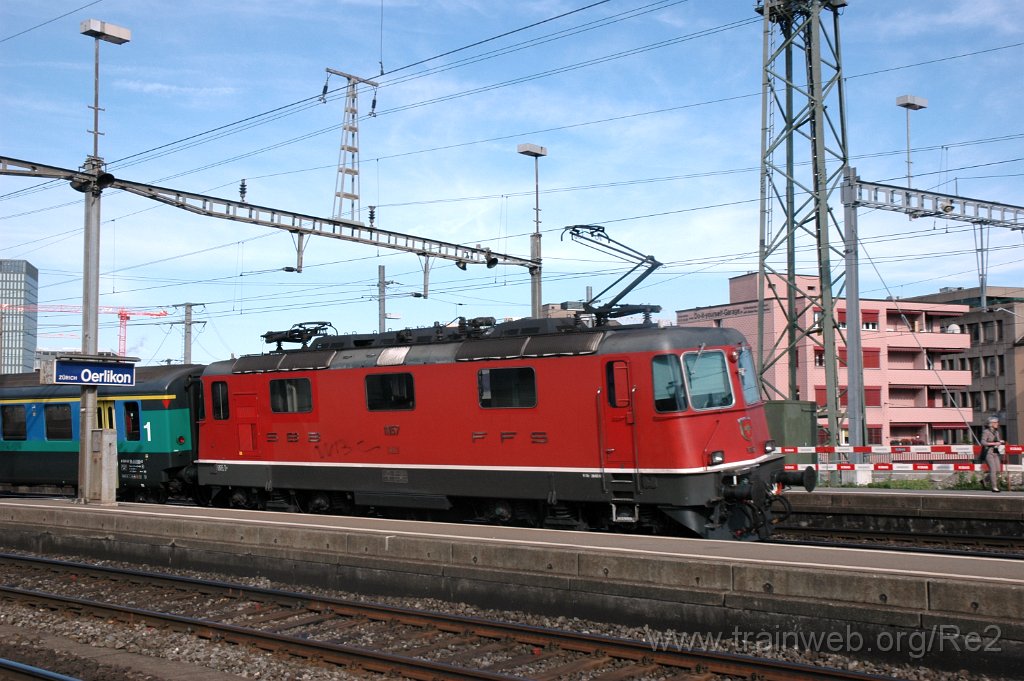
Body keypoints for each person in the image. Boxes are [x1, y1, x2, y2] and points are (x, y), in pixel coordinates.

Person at [980, 416, 1004, 493]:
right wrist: (994, 443)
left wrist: (1000, 441)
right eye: (996, 422)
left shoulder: (996, 432)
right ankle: (994, 487)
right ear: (991, 423)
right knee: (993, 470)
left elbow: (996, 440)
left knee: (998, 470)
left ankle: (984, 480)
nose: (997, 424)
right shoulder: (986, 432)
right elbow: (983, 442)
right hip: (988, 452)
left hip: (995, 452)